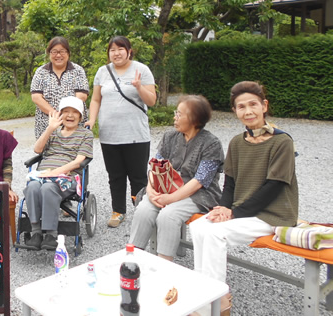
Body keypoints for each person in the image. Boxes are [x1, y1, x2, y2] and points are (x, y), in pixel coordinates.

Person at [190, 81, 298, 314]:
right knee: (200, 226)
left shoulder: (282, 141)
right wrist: (222, 208)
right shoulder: (237, 142)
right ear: (235, 111)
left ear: (264, 106)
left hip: (273, 214)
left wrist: (234, 213)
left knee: (216, 233)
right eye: (241, 107)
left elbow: (275, 187)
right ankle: (205, 295)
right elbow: (230, 184)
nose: (248, 111)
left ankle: (216, 302)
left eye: (253, 105)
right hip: (244, 211)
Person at [128, 95, 224, 262]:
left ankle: (164, 264)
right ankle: (132, 260)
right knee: (144, 209)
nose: (175, 117)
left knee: (169, 215)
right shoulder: (170, 136)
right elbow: (154, 166)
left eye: (179, 114)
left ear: (194, 119)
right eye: (176, 113)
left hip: (198, 194)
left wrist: (170, 198)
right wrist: (150, 192)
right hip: (164, 187)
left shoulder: (211, 143)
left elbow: (199, 181)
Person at [85, 35, 157, 228]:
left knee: (138, 176)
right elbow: (96, 100)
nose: (116, 53)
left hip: (136, 135)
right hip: (110, 135)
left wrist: (139, 87)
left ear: (129, 51)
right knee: (115, 176)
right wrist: (91, 120)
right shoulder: (102, 71)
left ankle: (142, 212)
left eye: (120, 49)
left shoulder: (141, 70)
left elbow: (151, 101)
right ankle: (118, 211)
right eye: (112, 50)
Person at [20, 96, 94, 251]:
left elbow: (78, 162)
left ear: (80, 116)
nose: (70, 115)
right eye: (66, 111)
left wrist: (53, 173)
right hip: (44, 175)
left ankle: (51, 235)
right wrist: (50, 128)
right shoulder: (53, 132)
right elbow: (37, 150)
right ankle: (36, 233)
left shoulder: (85, 134)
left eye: (74, 112)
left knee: (48, 188)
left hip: (67, 177)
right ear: (60, 114)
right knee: (33, 186)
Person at [30, 36, 89, 139]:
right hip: (47, 124)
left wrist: (67, 114)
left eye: (62, 51)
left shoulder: (78, 70)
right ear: (49, 53)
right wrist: (57, 115)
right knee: (48, 153)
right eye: (54, 52)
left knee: (75, 152)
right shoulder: (41, 72)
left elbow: (82, 95)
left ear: (68, 53)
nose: (58, 55)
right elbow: (36, 97)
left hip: (73, 123)